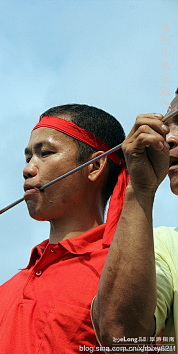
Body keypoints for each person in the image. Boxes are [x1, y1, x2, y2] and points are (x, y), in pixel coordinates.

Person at [0, 104, 128, 353]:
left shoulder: (124, 273)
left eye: (46, 153)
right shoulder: (7, 292)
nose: (28, 168)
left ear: (94, 167)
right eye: (28, 157)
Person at [91, 90, 178, 353]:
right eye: (168, 127)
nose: (170, 138)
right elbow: (121, 337)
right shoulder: (165, 246)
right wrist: (140, 189)